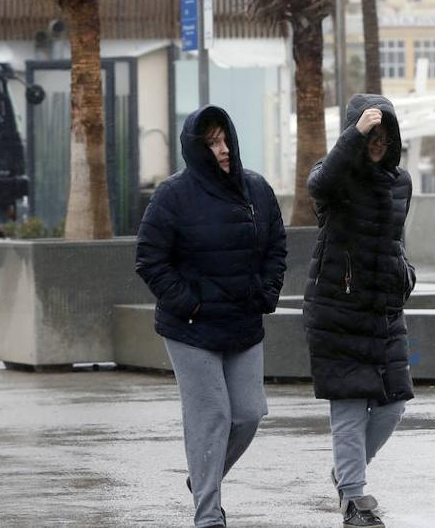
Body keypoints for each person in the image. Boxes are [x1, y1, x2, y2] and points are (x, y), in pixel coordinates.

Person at [135, 105, 287, 528]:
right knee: (212, 416)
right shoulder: (173, 194)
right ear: (197, 149)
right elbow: (149, 259)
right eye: (211, 143)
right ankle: (208, 514)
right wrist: (190, 303)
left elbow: (277, 247)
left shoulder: (257, 189)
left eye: (224, 139)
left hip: (244, 323)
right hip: (190, 329)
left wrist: (266, 293)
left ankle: (203, 478)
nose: (221, 149)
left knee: (249, 413)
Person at [303, 94, 416, 528]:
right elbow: (320, 185)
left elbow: (397, 236)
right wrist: (354, 134)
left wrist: (405, 270)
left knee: (392, 406)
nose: (377, 142)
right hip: (337, 308)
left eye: (384, 134)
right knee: (349, 409)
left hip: (384, 309)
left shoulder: (401, 182)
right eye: (371, 133)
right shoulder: (334, 179)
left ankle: (347, 473)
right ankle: (353, 498)